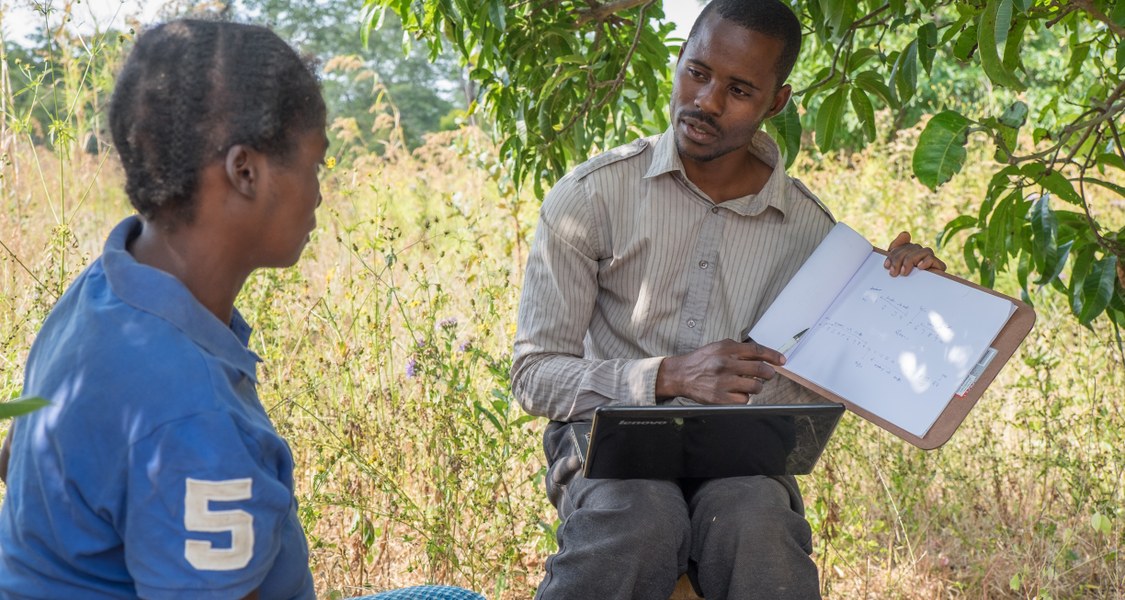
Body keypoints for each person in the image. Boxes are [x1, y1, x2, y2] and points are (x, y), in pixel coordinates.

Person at [0, 19, 482, 600]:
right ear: (245, 171)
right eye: (314, 164)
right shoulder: (189, 410)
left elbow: (24, 458)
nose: (320, 191)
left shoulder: (103, 286)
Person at [510, 1, 947, 599]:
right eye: (697, 72)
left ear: (777, 102)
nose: (707, 101)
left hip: (742, 456)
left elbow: (842, 373)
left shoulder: (815, 237)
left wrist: (909, 296)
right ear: (680, 61)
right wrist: (668, 375)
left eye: (739, 89)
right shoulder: (591, 197)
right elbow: (534, 377)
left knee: (757, 523)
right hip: (606, 442)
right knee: (639, 519)